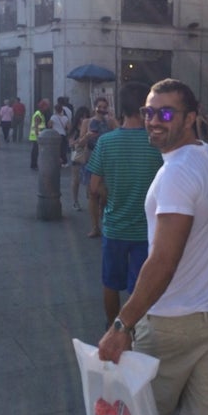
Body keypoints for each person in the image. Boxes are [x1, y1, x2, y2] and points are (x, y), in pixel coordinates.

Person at [98, 78, 208, 415]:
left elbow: (163, 261)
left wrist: (122, 323)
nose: (153, 120)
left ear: (190, 117)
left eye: (165, 113)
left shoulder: (177, 172)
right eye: (149, 111)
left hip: (170, 324)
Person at [87, 82, 163, 327]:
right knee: (140, 285)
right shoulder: (156, 145)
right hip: (146, 229)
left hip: (115, 227)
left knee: (111, 282)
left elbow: (93, 186)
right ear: (145, 109)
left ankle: (112, 327)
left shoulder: (106, 142)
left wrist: (108, 194)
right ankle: (134, 330)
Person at [81, 96, 117, 237]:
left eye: (104, 107)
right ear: (94, 107)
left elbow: (121, 133)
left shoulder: (110, 122)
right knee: (92, 194)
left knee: (105, 195)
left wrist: (114, 122)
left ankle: (103, 213)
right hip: (91, 160)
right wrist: (87, 136)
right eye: (99, 107)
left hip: (108, 162)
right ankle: (95, 227)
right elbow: (79, 143)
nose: (102, 110)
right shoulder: (87, 122)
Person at [68, 106, 90, 211]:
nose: (84, 119)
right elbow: (71, 143)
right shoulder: (75, 129)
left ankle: (90, 199)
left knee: (90, 180)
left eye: (86, 117)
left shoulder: (90, 127)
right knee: (76, 180)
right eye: (82, 117)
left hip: (89, 155)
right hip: (77, 155)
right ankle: (75, 201)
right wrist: (80, 140)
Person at [29, 99, 50, 170]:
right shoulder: (38, 114)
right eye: (46, 106)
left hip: (39, 135)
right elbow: (36, 126)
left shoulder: (41, 114)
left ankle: (35, 164)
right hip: (36, 136)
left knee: (36, 151)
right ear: (43, 106)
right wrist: (38, 136)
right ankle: (34, 165)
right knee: (35, 151)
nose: (47, 108)